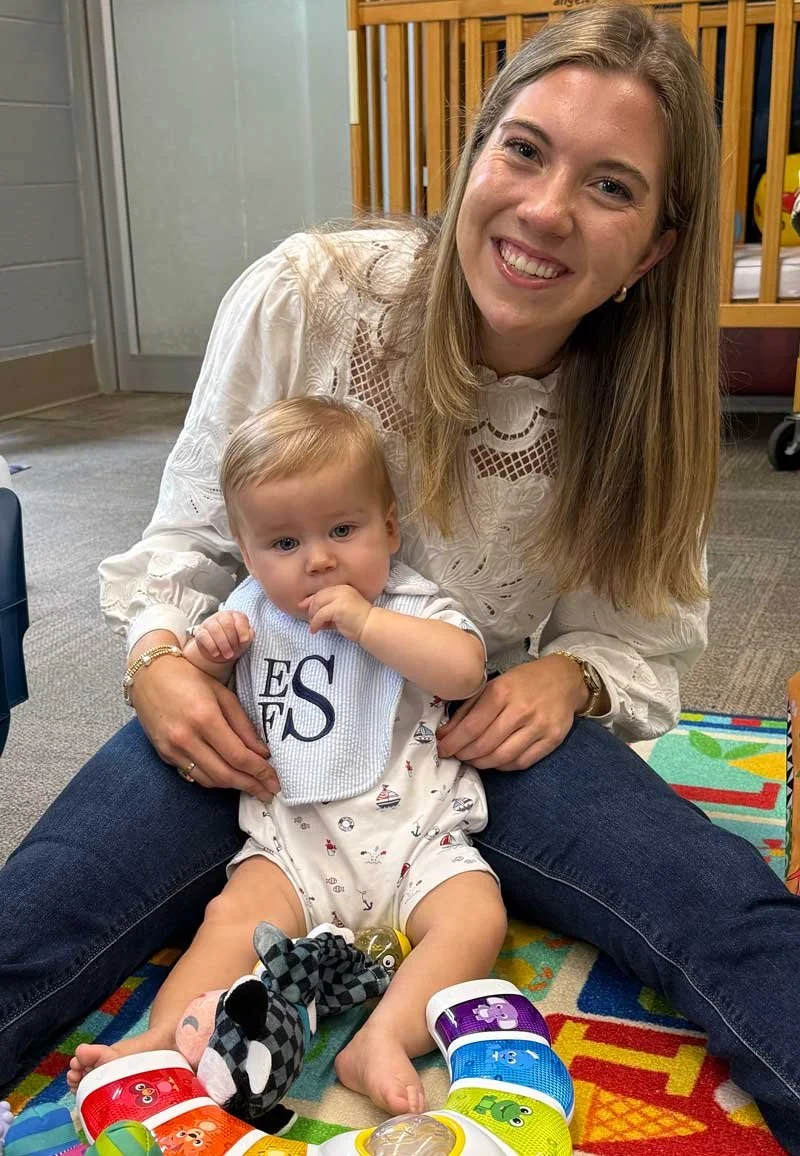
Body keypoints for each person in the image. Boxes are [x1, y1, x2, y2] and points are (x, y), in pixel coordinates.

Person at [3, 5, 800, 1149]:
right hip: (261, 727)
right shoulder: (308, 299)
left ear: (654, 250)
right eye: (522, 149)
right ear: (472, 155)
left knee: (725, 908)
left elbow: (634, 635)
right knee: (35, 921)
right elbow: (183, 548)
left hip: (460, 742)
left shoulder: (639, 413)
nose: (544, 210)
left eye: (609, 187)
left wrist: (568, 678)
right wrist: (157, 664)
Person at [67, 397, 504, 1116]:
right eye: (284, 543)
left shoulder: (411, 605)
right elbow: (202, 703)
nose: (319, 559)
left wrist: (368, 623)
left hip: (418, 842)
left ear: (390, 528)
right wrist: (208, 658)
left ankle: (382, 1038)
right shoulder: (249, 614)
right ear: (248, 555)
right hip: (292, 848)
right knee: (229, 919)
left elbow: (464, 672)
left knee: (475, 918)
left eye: (343, 530)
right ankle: (162, 1037)